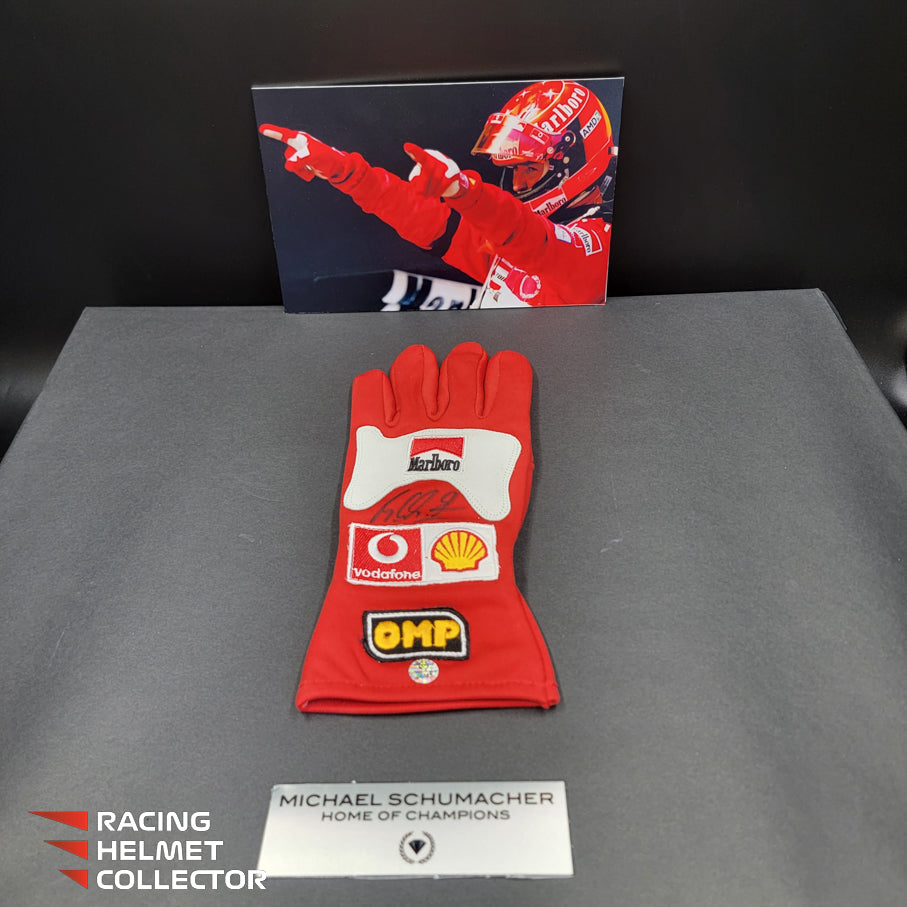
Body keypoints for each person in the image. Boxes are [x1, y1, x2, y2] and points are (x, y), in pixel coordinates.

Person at [260, 80, 618, 308]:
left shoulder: (599, 248)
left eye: (529, 168)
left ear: (575, 162)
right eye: (513, 169)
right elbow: (427, 221)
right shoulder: (510, 236)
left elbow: (532, 240)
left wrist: (463, 192)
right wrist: (347, 173)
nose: (518, 184)